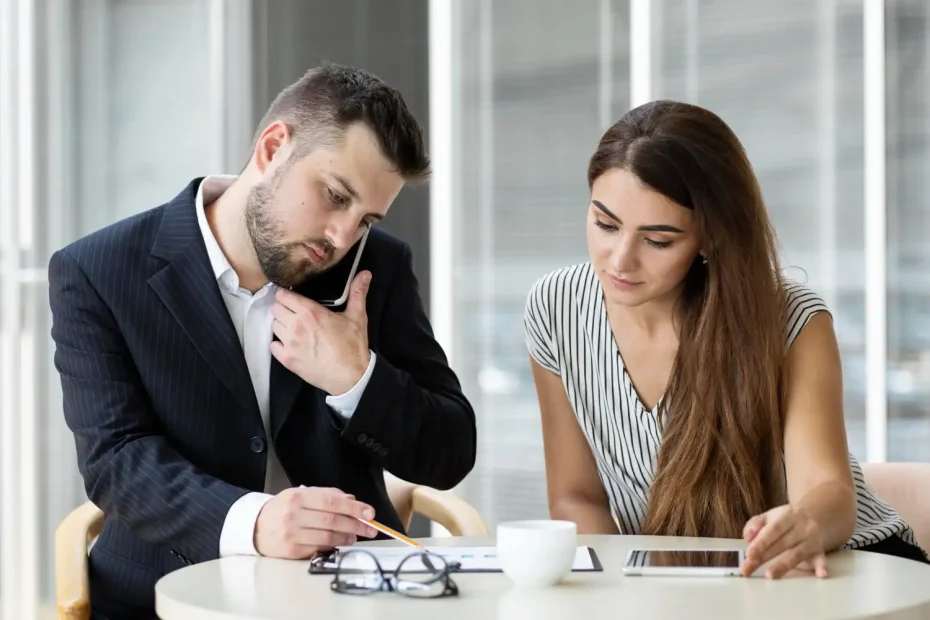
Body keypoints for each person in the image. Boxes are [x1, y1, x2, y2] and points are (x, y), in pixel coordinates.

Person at [48, 63, 476, 618]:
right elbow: (116, 460)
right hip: (164, 593)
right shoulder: (96, 271)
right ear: (273, 147)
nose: (343, 237)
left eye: (366, 219)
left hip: (351, 597)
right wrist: (255, 521)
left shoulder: (377, 269)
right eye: (333, 195)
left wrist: (356, 379)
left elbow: (450, 453)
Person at [524, 100, 929, 580]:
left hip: (843, 570)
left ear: (710, 238)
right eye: (605, 225)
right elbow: (577, 496)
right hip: (677, 585)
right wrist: (617, 592)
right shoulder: (555, 308)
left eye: (657, 241)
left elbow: (830, 492)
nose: (620, 260)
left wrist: (804, 523)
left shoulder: (790, 318)